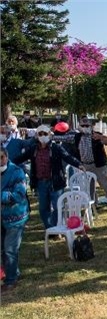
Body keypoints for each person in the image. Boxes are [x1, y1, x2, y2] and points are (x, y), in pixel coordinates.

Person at [14, 125, 85, 228]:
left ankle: (56, 226)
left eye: (45, 134)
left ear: (50, 135)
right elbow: (21, 158)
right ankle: (49, 227)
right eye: (40, 134)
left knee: (57, 206)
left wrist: (78, 164)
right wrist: (7, 163)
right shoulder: (33, 148)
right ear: (37, 136)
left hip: (55, 182)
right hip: (40, 182)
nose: (43, 136)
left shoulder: (56, 148)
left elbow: (67, 157)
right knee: (43, 208)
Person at [52, 116, 107, 210]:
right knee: (89, 186)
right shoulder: (76, 136)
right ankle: (93, 204)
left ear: (91, 126)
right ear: (79, 126)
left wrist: (101, 138)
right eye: (83, 125)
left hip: (98, 165)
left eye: (87, 125)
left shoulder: (97, 135)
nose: (85, 127)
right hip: (85, 165)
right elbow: (64, 138)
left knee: (105, 184)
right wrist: (51, 136)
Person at [0, 147, 29, 292]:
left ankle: (10, 280)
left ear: (6, 156)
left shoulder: (17, 172)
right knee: (2, 249)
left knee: (10, 249)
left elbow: (19, 194)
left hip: (15, 217)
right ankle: (14, 272)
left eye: (1, 157)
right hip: (1, 218)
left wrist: (2, 196)